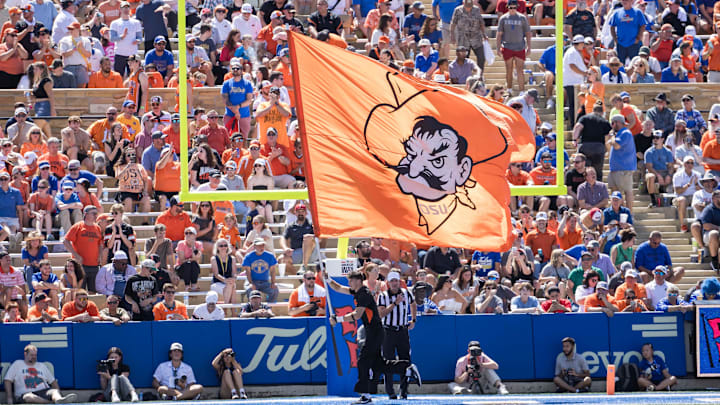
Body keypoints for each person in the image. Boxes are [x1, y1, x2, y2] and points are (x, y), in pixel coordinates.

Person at [327, 270, 421, 404]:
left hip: (375, 332)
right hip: (374, 331)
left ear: (358, 281)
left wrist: (338, 319)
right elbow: (339, 288)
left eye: (351, 281)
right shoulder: (358, 292)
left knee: (363, 362)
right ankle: (406, 367)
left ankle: (365, 395)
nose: (349, 283)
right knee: (379, 365)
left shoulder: (364, 294)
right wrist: (328, 279)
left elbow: (358, 315)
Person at [377, 271, 417, 399]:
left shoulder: (406, 292)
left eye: (396, 281)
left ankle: (404, 391)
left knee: (405, 360)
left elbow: (413, 303)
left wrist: (414, 319)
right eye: (392, 281)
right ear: (388, 283)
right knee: (388, 360)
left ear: (399, 282)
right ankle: (390, 391)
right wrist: (395, 303)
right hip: (388, 331)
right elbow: (381, 314)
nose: (394, 283)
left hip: (402, 331)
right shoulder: (383, 296)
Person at [3, 344, 77, 404]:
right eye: (32, 355)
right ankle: (51, 403)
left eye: (35, 355)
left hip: (43, 391)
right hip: (25, 394)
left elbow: (53, 382)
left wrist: (59, 392)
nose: (34, 357)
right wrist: (9, 398)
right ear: (25, 354)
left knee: (54, 391)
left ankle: (59, 400)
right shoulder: (17, 364)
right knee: (29, 397)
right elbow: (7, 380)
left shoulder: (42, 366)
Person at [63, 205, 103, 292]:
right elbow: (66, 241)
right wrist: (76, 255)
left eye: (97, 214)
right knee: (80, 291)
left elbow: (100, 244)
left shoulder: (97, 228)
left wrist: (100, 256)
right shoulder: (78, 226)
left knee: (93, 291)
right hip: (80, 265)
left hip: (94, 265)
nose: (96, 216)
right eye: (93, 213)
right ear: (86, 214)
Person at [496, 0, 531, 92]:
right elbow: (499, 33)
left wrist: (529, 47)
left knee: (520, 69)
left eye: (514, 7)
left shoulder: (522, 18)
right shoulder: (503, 18)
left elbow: (528, 33)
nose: (512, 9)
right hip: (507, 46)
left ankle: (522, 90)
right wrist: (498, 47)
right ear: (507, 7)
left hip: (520, 46)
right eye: (510, 7)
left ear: (517, 7)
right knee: (509, 69)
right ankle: (509, 89)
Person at [242, 238, 278, 302]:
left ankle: (268, 307)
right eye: (259, 245)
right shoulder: (248, 256)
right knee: (249, 289)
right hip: (253, 280)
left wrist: (273, 283)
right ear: (254, 246)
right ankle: (251, 307)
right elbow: (248, 271)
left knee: (274, 290)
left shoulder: (270, 256)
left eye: (263, 245)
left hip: (264, 282)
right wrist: (251, 283)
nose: (261, 247)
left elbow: (273, 270)